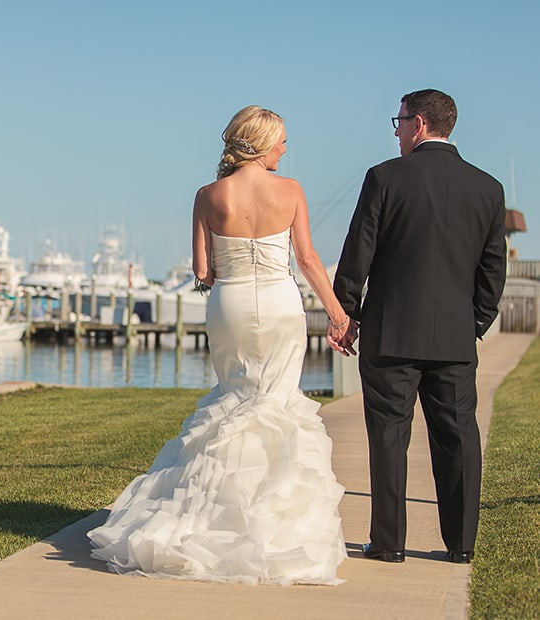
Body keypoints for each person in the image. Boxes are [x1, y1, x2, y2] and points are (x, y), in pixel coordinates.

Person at [87, 106, 351, 585]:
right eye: (282, 141)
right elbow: (308, 259)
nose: (286, 149)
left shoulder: (208, 195)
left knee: (235, 402)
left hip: (227, 306)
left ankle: (209, 518)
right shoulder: (290, 191)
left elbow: (203, 272)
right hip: (277, 302)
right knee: (275, 405)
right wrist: (336, 314)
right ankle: (270, 527)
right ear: (262, 143)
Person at [331, 89, 507, 564]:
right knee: (458, 438)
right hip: (454, 338)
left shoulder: (385, 178)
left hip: (390, 335)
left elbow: (358, 251)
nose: (397, 130)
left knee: (389, 437)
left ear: (420, 124)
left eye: (400, 120)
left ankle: (388, 543)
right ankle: (462, 544)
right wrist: (475, 322)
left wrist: (345, 313)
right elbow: (493, 269)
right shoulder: (488, 188)